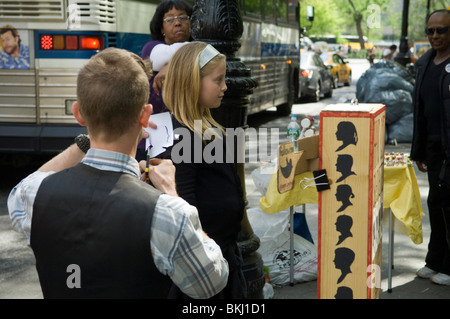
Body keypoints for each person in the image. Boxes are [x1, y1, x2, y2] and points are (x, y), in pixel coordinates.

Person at [7, 47, 228, 298]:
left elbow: (30, 182)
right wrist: (172, 192)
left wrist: (85, 142)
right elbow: (212, 281)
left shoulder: (31, 195)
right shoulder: (169, 213)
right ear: (145, 116)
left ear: (78, 113)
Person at [161, 42, 247, 298]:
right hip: (203, 268)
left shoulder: (208, 129)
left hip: (223, 255)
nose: (225, 87)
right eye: (217, 80)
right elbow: (185, 207)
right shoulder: (181, 136)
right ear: (191, 83)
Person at [411, 9, 450, 286]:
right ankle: (435, 260)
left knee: (447, 204)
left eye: (441, 30)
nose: (435, 36)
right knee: (435, 204)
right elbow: (419, 109)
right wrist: (419, 150)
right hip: (434, 148)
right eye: (431, 31)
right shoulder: (425, 62)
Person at [136, 0, 192, 161]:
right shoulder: (152, 48)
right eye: (170, 19)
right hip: (153, 134)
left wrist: (170, 67)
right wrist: (172, 64)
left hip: (183, 133)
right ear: (161, 29)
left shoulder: (195, 50)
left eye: (183, 18)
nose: (177, 23)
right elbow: (169, 54)